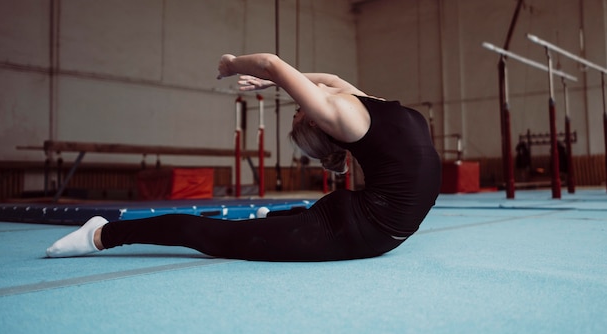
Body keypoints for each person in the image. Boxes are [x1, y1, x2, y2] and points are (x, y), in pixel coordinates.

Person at [46, 53, 441, 261]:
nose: (298, 103)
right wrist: (275, 81)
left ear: (320, 124)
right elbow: (330, 80)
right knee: (249, 231)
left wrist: (232, 65)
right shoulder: (374, 105)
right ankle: (104, 235)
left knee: (216, 238)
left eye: (298, 111)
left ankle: (99, 233)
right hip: (376, 224)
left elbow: (273, 62)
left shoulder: (342, 115)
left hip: (363, 228)